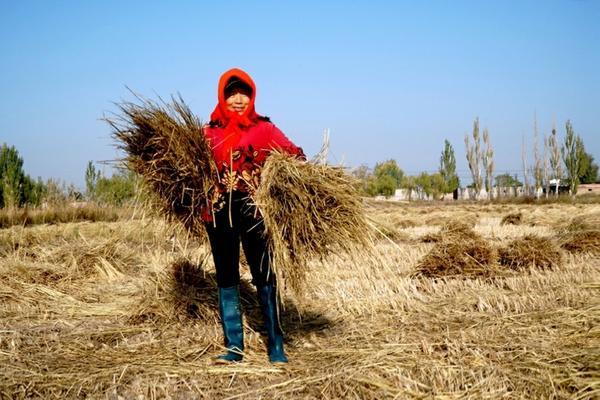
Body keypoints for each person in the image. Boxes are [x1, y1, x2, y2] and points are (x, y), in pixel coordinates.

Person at [201, 68, 305, 363]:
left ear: (252, 95)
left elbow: (294, 154)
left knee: (264, 273)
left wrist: (284, 169)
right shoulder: (208, 133)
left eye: (243, 93)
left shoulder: (265, 129)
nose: (237, 99)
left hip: (255, 210)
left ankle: (275, 344)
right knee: (226, 275)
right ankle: (234, 347)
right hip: (219, 212)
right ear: (222, 96)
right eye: (231, 93)